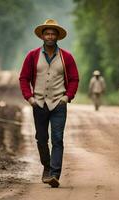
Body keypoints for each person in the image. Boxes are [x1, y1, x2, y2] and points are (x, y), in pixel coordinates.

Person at [19, 19, 79, 188]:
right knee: (41, 138)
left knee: (58, 139)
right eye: (47, 33)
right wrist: (29, 98)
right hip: (38, 103)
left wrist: (67, 97)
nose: (50, 36)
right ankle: (46, 166)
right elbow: (23, 78)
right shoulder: (32, 56)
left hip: (59, 103)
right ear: (42, 36)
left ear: (58, 36)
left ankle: (54, 174)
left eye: (53, 33)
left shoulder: (66, 57)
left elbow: (74, 79)